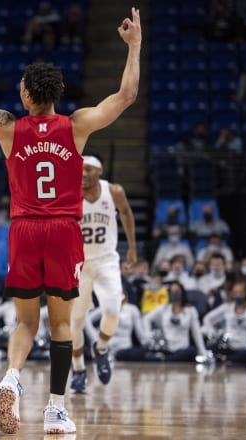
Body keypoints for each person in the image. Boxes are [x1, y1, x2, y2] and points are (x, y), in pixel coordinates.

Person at [0, 7, 141, 434]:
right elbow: (125, 97)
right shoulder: (77, 125)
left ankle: (12, 377)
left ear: (28, 95)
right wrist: (135, 46)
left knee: (25, 322)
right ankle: (55, 409)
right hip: (65, 231)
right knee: (63, 323)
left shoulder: (8, 127)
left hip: (25, 230)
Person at [69, 155, 137, 394]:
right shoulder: (69, 194)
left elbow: (127, 213)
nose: (83, 174)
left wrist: (132, 248)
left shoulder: (114, 191)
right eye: (79, 170)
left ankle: (101, 349)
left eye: (88, 170)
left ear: (99, 171)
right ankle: (78, 370)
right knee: (74, 324)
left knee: (112, 311)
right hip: (78, 264)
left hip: (107, 260)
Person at [202, 280, 246, 364]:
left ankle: (225, 359)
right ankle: (228, 358)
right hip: (228, 347)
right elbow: (207, 318)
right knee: (210, 347)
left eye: (241, 292)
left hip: (245, 349)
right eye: (236, 292)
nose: (238, 295)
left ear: (245, 294)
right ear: (232, 294)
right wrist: (212, 333)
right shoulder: (227, 307)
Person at [142, 281, 208, 362]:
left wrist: (202, 352)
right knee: (145, 353)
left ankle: (165, 360)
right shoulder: (164, 308)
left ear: (182, 293)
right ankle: (166, 359)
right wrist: (148, 334)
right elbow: (146, 319)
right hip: (166, 348)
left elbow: (196, 333)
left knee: (192, 351)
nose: (174, 294)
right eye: (172, 292)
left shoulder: (191, 310)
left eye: (177, 291)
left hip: (183, 350)